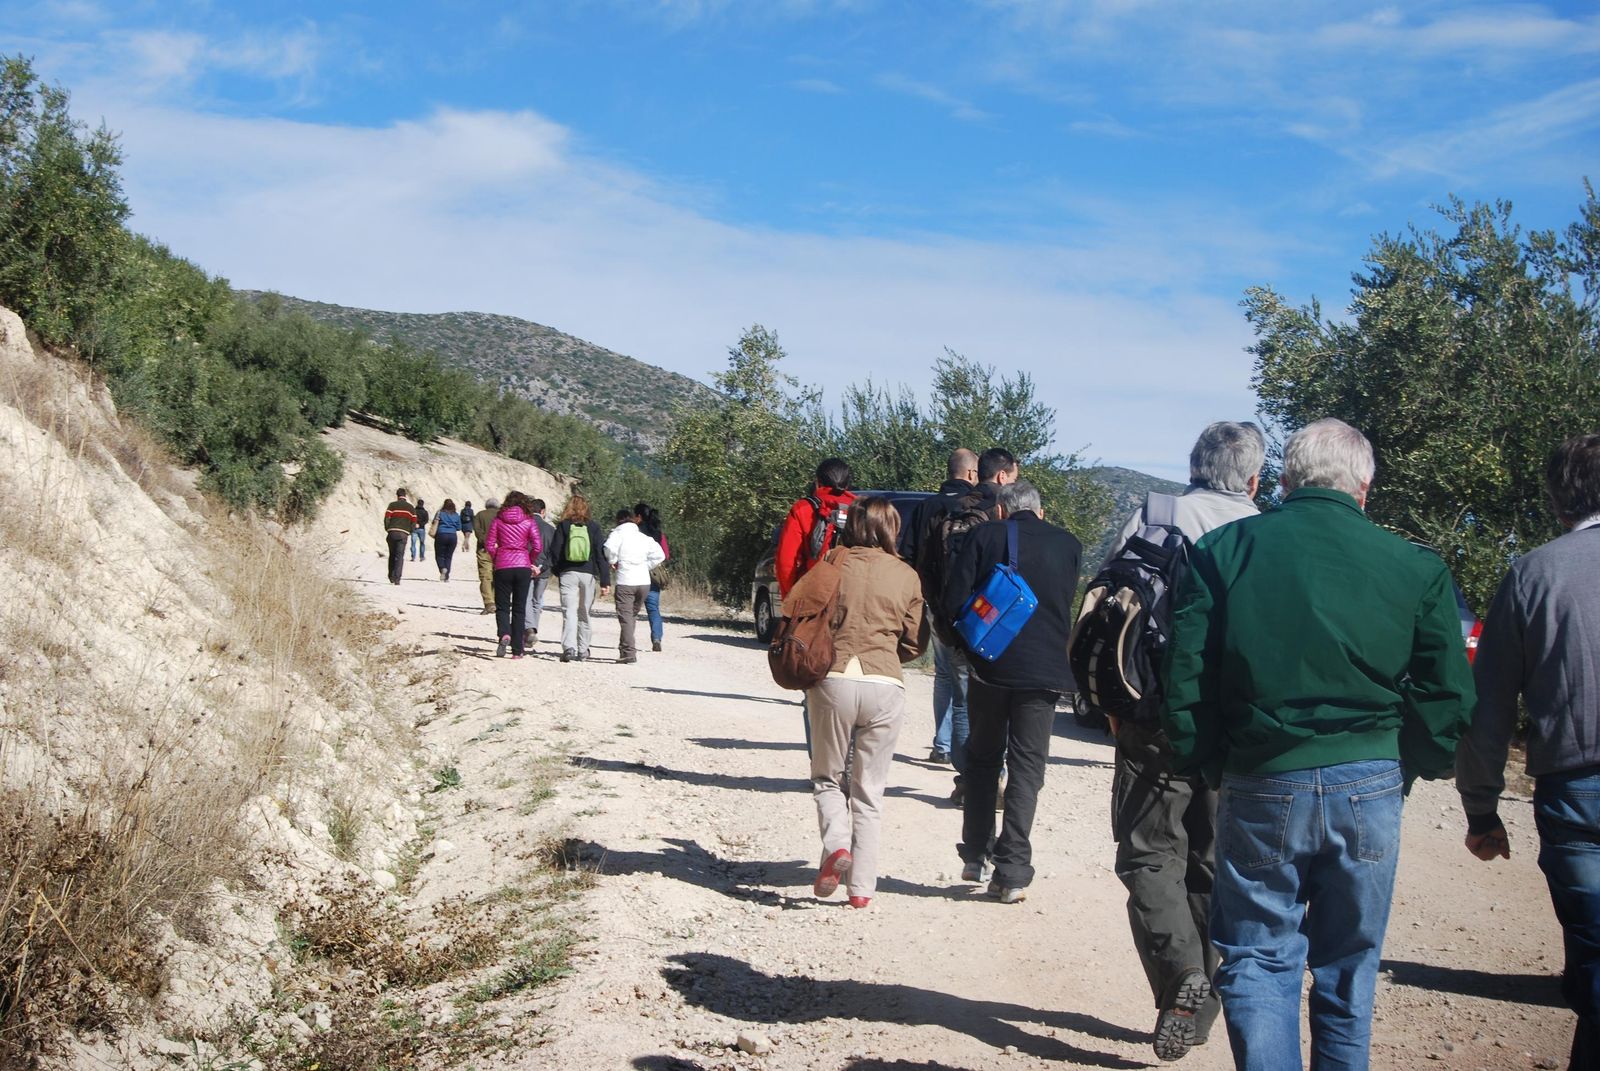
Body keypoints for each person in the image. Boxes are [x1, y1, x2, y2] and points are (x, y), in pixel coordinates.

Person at [1162, 418, 1475, 1071]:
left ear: (1283, 479)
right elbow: (1449, 695)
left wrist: (1212, 760)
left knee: (1257, 958)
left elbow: (1186, 679)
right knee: (1348, 972)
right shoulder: (1417, 566)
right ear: (1365, 488)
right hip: (1372, 782)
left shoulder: (1224, 551)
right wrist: (1405, 762)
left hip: (1261, 777)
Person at [1100, 421, 1265, 1062]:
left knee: (1148, 855)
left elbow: (1114, 606)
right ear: (1253, 479)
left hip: (1154, 718)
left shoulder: (1156, 514)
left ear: (1194, 466)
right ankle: (1199, 1010)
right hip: (1234, 725)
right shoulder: (1265, 533)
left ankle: (1179, 979)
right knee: (1213, 861)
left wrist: (1114, 703)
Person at [1455, 431, 1600, 1071]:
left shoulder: (1534, 572)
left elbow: (1489, 706)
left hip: (1576, 790)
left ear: (1557, 500)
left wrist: (1482, 810)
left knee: (1594, 956)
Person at [942, 478, 1080, 904]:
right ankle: (1013, 870)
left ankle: (975, 854)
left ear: (1001, 510)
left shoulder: (985, 535)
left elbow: (951, 604)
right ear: (1041, 511)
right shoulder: (1069, 545)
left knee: (983, 759)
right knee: (1027, 768)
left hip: (991, 668)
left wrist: (967, 651)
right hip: (1044, 675)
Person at [800, 496, 928, 909]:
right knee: (870, 792)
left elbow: (800, 611)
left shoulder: (834, 562)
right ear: (892, 529)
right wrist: (886, 654)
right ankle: (861, 891)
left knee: (827, 778)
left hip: (834, 677)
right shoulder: (908, 574)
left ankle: (837, 845)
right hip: (886, 683)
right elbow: (914, 640)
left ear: (851, 525)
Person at [920, 446, 1018, 804]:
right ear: (1002, 475)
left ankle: (967, 780)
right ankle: (998, 774)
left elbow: (924, 562)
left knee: (961, 697)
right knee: (997, 700)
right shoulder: (1003, 511)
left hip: (952, 615)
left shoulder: (947, 508)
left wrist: (939, 611)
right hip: (995, 619)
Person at [902, 448, 979, 766]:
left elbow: (907, 552)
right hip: (967, 606)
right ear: (972, 474)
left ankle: (942, 744)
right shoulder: (974, 507)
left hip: (931, 601)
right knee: (963, 678)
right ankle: (962, 752)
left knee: (944, 675)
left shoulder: (926, 507)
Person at [775, 458, 856, 752]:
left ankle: (820, 759)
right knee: (852, 675)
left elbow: (785, 562)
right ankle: (849, 754)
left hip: (814, 604)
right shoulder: (860, 509)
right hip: (853, 600)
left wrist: (793, 603)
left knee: (812, 677)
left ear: (817, 480)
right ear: (849, 482)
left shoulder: (803, 509)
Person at [550, 493, 611, 663]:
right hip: (588, 574)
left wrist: (558, 571)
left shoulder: (563, 526)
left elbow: (555, 551)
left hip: (568, 573)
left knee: (568, 612)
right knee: (584, 612)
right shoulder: (593, 527)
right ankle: (583, 650)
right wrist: (605, 581)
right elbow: (600, 556)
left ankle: (569, 647)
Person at [604, 507, 666, 664]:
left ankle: (628, 652)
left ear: (618, 520)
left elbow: (609, 549)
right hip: (644, 582)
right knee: (631, 616)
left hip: (626, 580)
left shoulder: (617, 534)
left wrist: (613, 561)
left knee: (625, 618)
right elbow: (660, 554)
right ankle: (624, 647)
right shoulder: (642, 537)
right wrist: (646, 566)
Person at [485, 490, 542, 659]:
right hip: (523, 566)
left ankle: (504, 634)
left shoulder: (498, 519)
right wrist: (529, 559)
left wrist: (497, 558)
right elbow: (537, 546)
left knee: (502, 606)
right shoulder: (529, 520)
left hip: (503, 565)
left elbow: (489, 544)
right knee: (519, 609)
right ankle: (517, 650)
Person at [521, 498, 556, 650]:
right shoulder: (550, 529)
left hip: (526, 566)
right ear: (543, 511)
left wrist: (530, 564)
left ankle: (529, 631)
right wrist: (541, 567)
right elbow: (553, 553)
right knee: (537, 600)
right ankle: (533, 630)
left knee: (526, 600)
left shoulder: (525, 525)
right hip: (543, 570)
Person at [634, 501, 670, 652]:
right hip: (653, 575)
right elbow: (666, 555)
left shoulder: (635, 532)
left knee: (631, 609)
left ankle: (628, 640)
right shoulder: (659, 533)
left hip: (635, 573)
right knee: (653, 609)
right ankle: (656, 638)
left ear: (639, 516)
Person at [472, 497, 500, 615]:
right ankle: (498, 601)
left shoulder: (479, 515)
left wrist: (486, 541)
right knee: (498, 575)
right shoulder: (501, 515)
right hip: (500, 548)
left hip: (484, 549)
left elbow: (477, 531)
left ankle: (489, 603)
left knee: (485, 576)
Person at [383, 488, 416, 585]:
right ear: (405, 496)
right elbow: (414, 522)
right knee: (400, 556)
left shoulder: (392, 505)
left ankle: (391, 576)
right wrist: (409, 531)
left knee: (392, 555)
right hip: (403, 533)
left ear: (397, 495)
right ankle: (397, 579)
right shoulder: (411, 508)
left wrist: (388, 528)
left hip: (392, 532)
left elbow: (387, 518)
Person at [433, 498, 463, 582]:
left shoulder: (440, 513)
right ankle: (446, 576)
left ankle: (442, 568)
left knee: (439, 555)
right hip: (453, 536)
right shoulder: (456, 515)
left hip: (441, 535)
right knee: (448, 556)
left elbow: (434, 523)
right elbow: (459, 527)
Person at [410, 498, 430, 562]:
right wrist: (420, 524)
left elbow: (411, 519)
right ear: (423, 504)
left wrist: (415, 524)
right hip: (421, 529)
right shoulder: (425, 512)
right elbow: (426, 520)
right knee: (422, 543)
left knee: (413, 543)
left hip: (414, 529)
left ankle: (413, 557)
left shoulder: (413, 511)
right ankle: (422, 557)